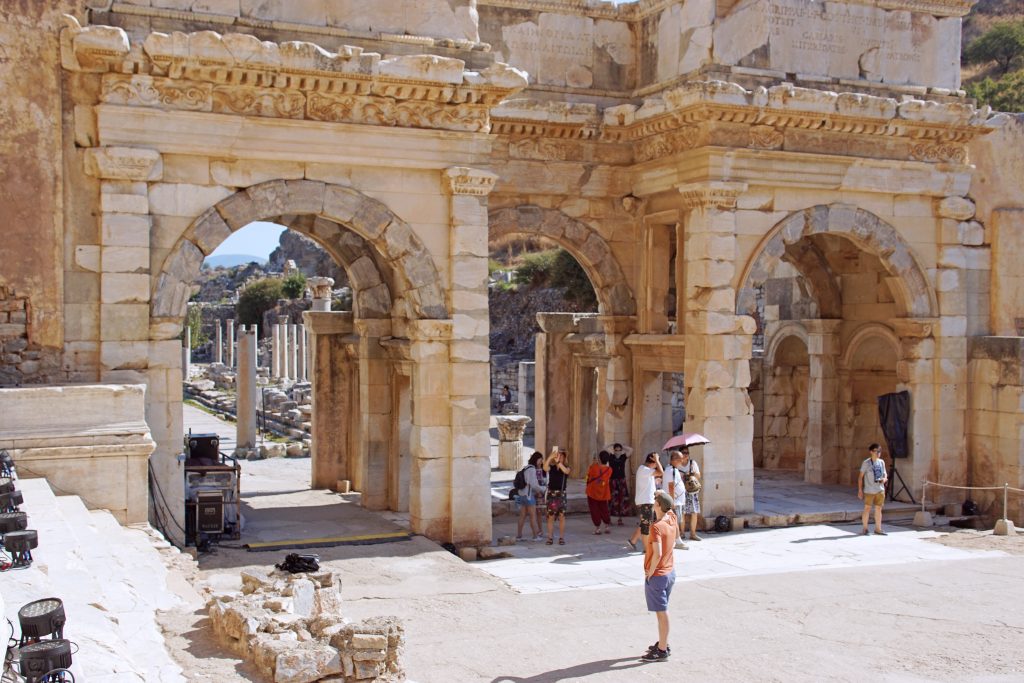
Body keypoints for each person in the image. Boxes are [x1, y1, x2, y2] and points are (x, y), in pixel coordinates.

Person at [641, 490, 678, 662]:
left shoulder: (656, 527)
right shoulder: (672, 518)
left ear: (657, 505)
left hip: (658, 574)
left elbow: (658, 553)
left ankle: (663, 649)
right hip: (670, 573)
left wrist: (650, 572)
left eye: (655, 500)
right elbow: (669, 505)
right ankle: (663, 642)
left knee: (662, 612)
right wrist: (662, 494)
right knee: (660, 611)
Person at [628, 452, 663, 552]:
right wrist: (657, 460)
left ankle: (633, 541)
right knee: (646, 526)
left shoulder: (645, 470)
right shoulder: (644, 469)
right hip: (645, 501)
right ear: (652, 462)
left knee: (645, 522)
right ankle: (647, 549)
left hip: (647, 501)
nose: (657, 464)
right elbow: (661, 472)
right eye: (656, 462)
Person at [671, 448, 702, 541]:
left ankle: (693, 533)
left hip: (692, 491)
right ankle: (682, 533)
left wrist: (691, 474)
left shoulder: (692, 463)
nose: (686, 454)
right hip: (682, 492)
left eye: (687, 453)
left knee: (694, 512)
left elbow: (698, 475)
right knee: (682, 513)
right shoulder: (678, 465)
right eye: (684, 453)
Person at [515, 451, 547, 541]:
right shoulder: (532, 469)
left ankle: (519, 536)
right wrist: (543, 489)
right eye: (540, 460)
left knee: (522, 516)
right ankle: (536, 536)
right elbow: (534, 485)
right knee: (533, 516)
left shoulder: (526, 467)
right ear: (537, 459)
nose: (541, 462)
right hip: (529, 496)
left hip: (522, 494)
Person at [859, 443, 888, 535]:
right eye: (876, 451)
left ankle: (878, 529)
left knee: (879, 508)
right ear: (871, 452)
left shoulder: (881, 462)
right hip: (869, 490)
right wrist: (860, 490)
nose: (878, 453)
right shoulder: (866, 463)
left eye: (880, 451)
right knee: (867, 508)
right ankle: (865, 529)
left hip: (880, 489)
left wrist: (885, 478)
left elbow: (885, 473)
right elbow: (860, 477)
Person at [544, 447, 571, 545]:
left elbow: (566, 471)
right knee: (550, 517)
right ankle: (550, 537)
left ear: (564, 458)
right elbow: (545, 468)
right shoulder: (552, 468)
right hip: (552, 494)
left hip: (561, 494)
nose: (559, 457)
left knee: (561, 516)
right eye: (557, 455)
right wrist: (550, 458)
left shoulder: (566, 468)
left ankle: (561, 537)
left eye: (561, 456)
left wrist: (558, 462)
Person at [665, 452, 689, 549]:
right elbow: (671, 486)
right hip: (674, 501)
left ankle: (675, 540)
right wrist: (672, 502)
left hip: (676, 500)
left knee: (673, 521)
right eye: (680, 459)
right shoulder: (671, 471)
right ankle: (678, 541)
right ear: (674, 460)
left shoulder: (673, 470)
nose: (681, 461)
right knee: (673, 521)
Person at [586, 451, 613, 534]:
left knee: (594, 509)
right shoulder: (609, 469)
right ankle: (607, 526)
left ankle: (597, 528)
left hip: (592, 491)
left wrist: (593, 464)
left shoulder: (593, 467)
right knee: (604, 509)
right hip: (604, 492)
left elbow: (588, 475)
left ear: (600, 459)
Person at [608, 443, 634, 525]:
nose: (618, 452)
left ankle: (620, 519)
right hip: (613, 480)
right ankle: (609, 519)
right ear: (614, 450)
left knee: (621, 499)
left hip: (621, 480)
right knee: (612, 499)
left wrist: (623, 446)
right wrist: (612, 444)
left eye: (619, 450)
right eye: (616, 450)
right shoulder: (611, 456)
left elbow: (631, 450)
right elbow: (604, 448)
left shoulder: (623, 457)